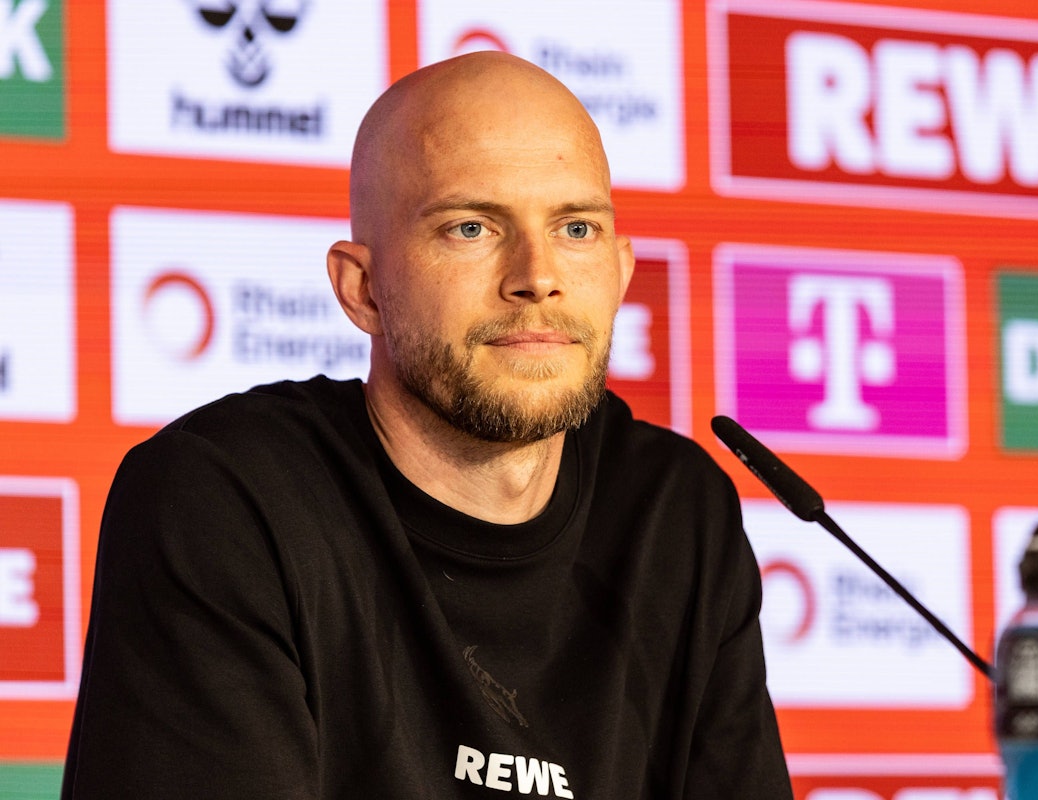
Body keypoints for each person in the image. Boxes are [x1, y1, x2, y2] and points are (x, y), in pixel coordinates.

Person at [61, 52, 793, 799]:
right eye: (471, 228)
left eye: (575, 228)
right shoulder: (226, 498)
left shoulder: (674, 510)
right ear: (362, 289)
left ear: (621, 271)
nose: (537, 276)